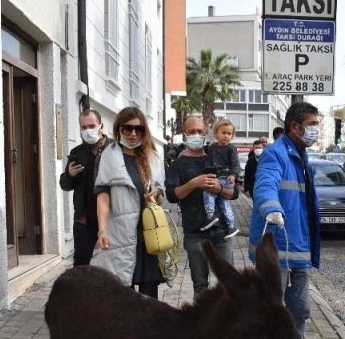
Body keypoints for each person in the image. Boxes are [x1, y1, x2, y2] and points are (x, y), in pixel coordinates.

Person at [249, 102, 322, 339]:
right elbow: (265, 184)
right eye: (312, 124)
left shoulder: (302, 158)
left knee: (299, 312)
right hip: (276, 252)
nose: (315, 130)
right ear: (295, 127)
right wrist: (270, 207)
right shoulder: (275, 154)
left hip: (299, 251)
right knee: (269, 314)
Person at [92, 106, 166, 299]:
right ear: (119, 130)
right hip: (121, 234)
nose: (133, 134)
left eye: (139, 129)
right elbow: (102, 195)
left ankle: (148, 330)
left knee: (149, 299)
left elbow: (161, 200)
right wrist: (102, 230)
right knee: (123, 294)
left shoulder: (153, 158)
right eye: (128, 129)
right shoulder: (109, 156)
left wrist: (156, 193)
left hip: (149, 236)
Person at [165, 116, 239, 296]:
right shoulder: (177, 165)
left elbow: (234, 193)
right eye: (192, 132)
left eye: (200, 131)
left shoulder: (216, 158)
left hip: (222, 231)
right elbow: (172, 196)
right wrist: (193, 183)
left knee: (229, 285)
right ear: (185, 134)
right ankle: (203, 322)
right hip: (194, 231)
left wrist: (220, 188)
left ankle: (227, 324)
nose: (196, 135)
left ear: (206, 133)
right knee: (200, 286)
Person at [60, 109, 112, 266]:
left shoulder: (114, 149)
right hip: (84, 219)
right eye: (83, 127)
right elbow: (65, 185)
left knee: (110, 264)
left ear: (100, 125)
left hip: (110, 218)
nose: (88, 130)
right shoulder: (77, 152)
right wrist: (69, 175)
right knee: (81, 264)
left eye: (91, 126)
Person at [202, 119, 240, 238]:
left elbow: (236, 164)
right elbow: (208, 162)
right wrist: (207, 172)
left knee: (208, 192)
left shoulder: (231, 148)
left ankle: (210, 215)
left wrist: (233, 175)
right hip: (216, 176)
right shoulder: (211, 148)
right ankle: (231, 226)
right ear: (215, 133)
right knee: (223, 202)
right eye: (224, 133)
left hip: (226, 177)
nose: (226, 136)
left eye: (229, 134)